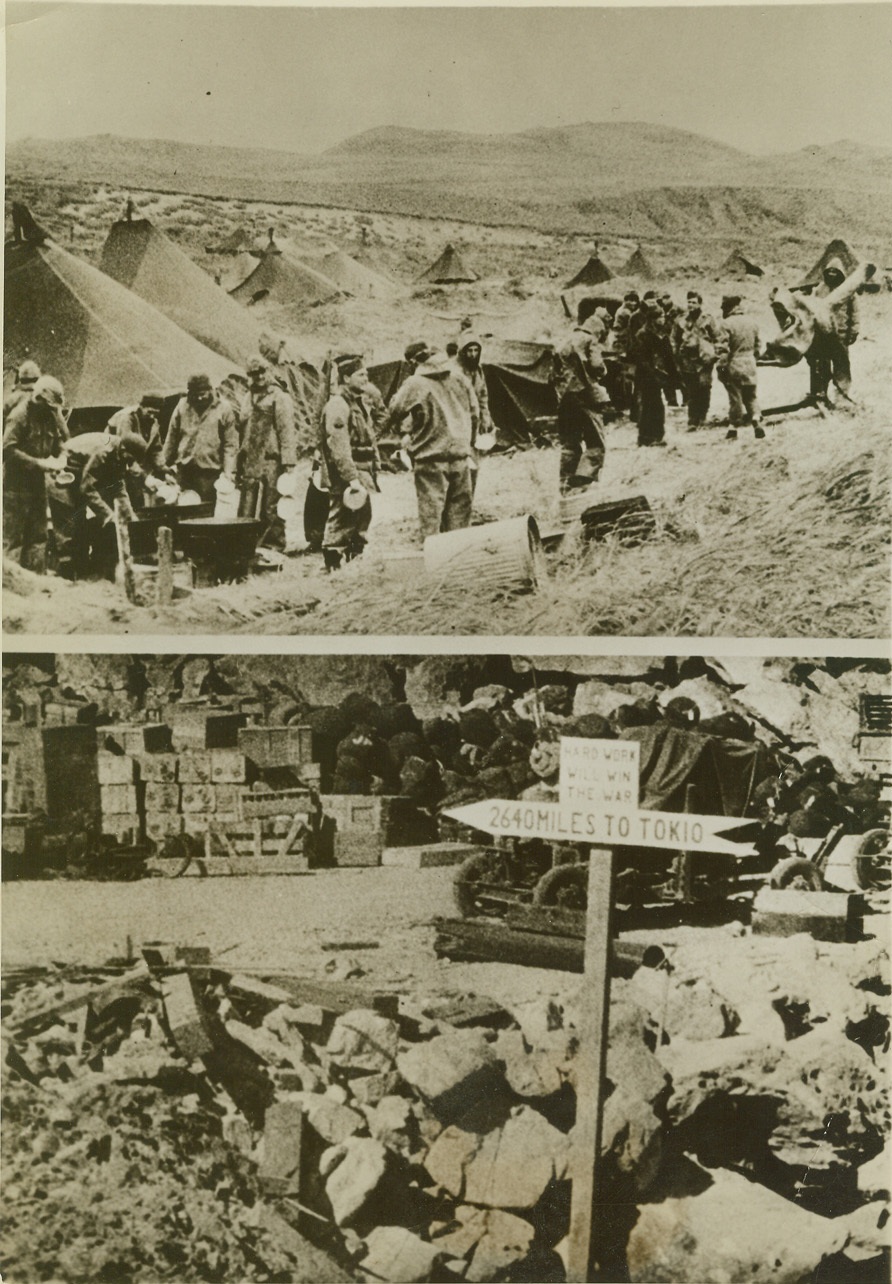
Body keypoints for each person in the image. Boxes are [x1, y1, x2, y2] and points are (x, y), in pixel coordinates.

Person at [385, 341, 478, 541]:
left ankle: (435, 562)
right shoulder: (459, 377)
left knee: (432, 518)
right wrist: (469, 443)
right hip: (460, 455)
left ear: (412, 361)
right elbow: (475, 413)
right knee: (460, 518)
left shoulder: (415, 383)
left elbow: (395, 410)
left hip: (431, 457)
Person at [49, 431, 159, 579]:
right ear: (124, 450)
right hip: (61, 477)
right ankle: (66, 577)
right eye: (131, 459)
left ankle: (84, 575)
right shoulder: (104, 453)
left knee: (84, 527)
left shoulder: (121, 455)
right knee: (70, 528)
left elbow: (118, 488)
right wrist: (109, 515)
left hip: (79, 476)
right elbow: (86, 489)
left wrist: (130, 516)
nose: (130, 464)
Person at [318, 354, 379, 571]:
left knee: (361, 517)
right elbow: (338, 444)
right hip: (346, 474)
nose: (366, 379)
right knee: (342, 518)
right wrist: (351, 478)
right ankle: (332, 564)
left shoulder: (357, 403)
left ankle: (355, 561)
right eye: (360, 374)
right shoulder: (338, 405)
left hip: (361, 471)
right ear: (346, 378)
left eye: (366, 374)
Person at [3, 375, 69, 572]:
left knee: (39, 537)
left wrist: (62, 457)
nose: (53, 411)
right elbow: (7, 450)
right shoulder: (19, 417)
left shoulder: (49, 416)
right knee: (14, 539)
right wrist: (38, 463)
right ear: (38, 399)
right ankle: (10, 591)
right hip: (15, 487)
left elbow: (60, 442)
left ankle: (36, 585)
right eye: (50, 406)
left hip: (38, 485)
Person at [238, 357, 298, 550]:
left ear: (268, 371)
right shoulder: (247, 398)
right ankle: (248, 546)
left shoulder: (279, 397)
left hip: (271, 460)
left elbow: (286, 430)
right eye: (254, 374)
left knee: (272, 505)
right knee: (247, 505)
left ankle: (274, 545)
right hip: (251, 460)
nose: (259, 377)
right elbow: (243, 428)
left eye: (262, 372)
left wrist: (289, 463)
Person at [552, 310, 609, 490]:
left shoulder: (565, 340)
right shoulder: (590, 340)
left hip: (565, 399)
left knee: (569, 444)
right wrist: (601, 373)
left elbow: (552, 373)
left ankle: (565, 483)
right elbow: (597, 365)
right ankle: (583, 481)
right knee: (596, 443)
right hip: (585, 397)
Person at [163, 375, 237, 505]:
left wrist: (228, 472)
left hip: (210, 473)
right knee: (184, 509)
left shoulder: (224, 409)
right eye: (194, 394)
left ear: (210, 390)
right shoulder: (182, 406)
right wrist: (163, 467)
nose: (199, 398)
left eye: (202, 394)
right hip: (185, 472)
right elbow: (171, 438)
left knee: (207, 512)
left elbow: (230, 444)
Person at [716, 295, 764, 441]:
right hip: (750, 363)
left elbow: (722, 349)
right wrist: (753, 358)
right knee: (751, 395)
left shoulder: (725, 324)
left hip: (734, 364)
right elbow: (758, 346)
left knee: (735, 397)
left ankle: (733, 428)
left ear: (728, 307)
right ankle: (756, 418)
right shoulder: (752, 322)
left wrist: (721, 367)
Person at [811, 261, 859, 402]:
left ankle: (842, 395)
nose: (832, 274)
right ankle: (819, 394)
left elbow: (855, 313)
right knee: (821, 365)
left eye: (835, 271)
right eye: (829, 271)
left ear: (841, 274)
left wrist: (854, 331)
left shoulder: (849, 291)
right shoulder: (819, 289)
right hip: (822, 335)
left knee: (841, 366)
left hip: (840, 335)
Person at [671, 291, 720, 430]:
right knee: (691, 389)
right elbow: (674, 338)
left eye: (694, 302)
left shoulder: (708, 319)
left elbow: (717, 337)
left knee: (704, 387)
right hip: (687, 359)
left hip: (704, 360)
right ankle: (693, 419)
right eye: (689, 302)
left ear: (699, 304)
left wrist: (714, 354)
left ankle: (702, 415)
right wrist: (676, 355)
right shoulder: (680, 320)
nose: (691, 305)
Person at [107, 393, 165, 507]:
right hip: (115, 462)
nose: (152, 416)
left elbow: (155, 449)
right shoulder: (126, 418)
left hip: (136, 464)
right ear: (141, 407)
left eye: (155, 413)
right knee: (122, 500)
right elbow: (122, 449)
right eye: (150, 412)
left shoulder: (153, 423)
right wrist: (143, 475)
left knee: (138, 498)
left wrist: (163, 468)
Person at [452, 330, 492, 493]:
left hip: (474, 423)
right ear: (462, 351)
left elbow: (483, 394)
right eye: (469, 350)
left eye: (476, 350)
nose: (473, 354)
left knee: (474, 464)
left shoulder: (478, 370)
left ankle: (468, 497)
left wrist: (486, 417)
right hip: (460, 422)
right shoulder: (455, 371)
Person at [629, 299, 670, 447]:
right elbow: (641, 358)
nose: (663, 319)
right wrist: (653, 373)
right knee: (650, 406)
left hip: (654, 375)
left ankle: (654, 436)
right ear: (653, 319)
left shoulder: (657, 333)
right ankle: (648, 437)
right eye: (661, 317)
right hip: (646, 376)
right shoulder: (643, 334)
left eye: (664, 316)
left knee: (655, 405)